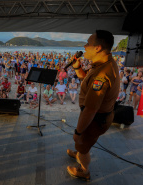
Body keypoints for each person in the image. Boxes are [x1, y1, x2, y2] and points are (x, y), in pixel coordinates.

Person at [66, 30, 120, 181]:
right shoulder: (102, 64)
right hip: (95, 115)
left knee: (82, 143)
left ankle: (84, 170)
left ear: (98, 48)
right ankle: (80, 151)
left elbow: (91, 109)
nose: (85, 46)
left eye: (88, 43)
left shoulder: (102, 74)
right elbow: (86, 80)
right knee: (82, 142)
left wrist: (78, 132)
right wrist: (77, 67)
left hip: (95, 118)